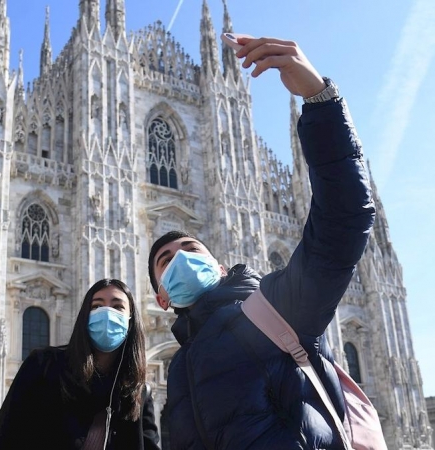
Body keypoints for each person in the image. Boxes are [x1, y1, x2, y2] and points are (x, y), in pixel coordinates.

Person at [148, 35, 376, 449]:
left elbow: (343, 220)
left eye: (190, 248)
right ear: (161, 297)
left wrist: (320, 101)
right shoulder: (182, 368)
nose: (180, 258)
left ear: (221, 265)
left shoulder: (278, 310)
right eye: (165, 260)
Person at [0, 279, 160, 450]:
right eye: (96, 306)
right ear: (84, 316)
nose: (107, 313)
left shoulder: (138, 393)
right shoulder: (43, 367)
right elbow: (6, 437)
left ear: (131, 321)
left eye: (118, 307)